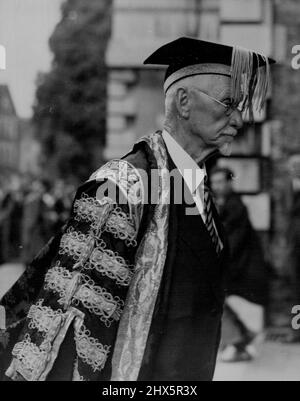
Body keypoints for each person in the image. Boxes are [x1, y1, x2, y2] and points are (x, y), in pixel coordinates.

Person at [0, 37, 274, 381]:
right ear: (184, 102)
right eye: (229, 102)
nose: (239, 117)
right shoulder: (123, 185)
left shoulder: (191, 184)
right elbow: (74, 326)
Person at [210, 167, 269, 362]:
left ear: (229, 183)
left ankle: (237, 340)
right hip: (238, 265)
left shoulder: (235, 206)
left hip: (242, 267)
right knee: (217, 301)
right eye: (214, 182)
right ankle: (244, 336)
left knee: (214, 300)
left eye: (221, 182)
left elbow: (231, 242)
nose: (217, 186)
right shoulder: (226, 203)